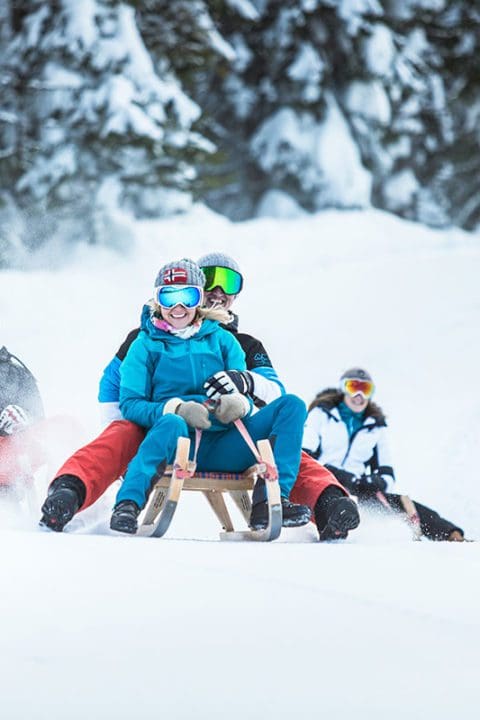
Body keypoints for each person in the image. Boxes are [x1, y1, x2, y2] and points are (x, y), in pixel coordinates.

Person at [40, 253, 359, 540]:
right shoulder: (147, 338)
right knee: (121, 435)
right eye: (210, 280)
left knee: (281, 447)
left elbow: (275, 391)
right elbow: (113, 384)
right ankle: (69, 491)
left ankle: (328, 504)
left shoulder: (242, 344)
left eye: (229, 282)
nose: (218, 290)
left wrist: (245, 385)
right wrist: (121, 430)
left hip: (230, 432)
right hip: (160, 426)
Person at [302, 367, 465, 541]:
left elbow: (387, 473)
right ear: (343, 389)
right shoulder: (322, 414)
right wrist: (340, 476)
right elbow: (304, 455)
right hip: (323, 482)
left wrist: (374, 482)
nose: (359, 395)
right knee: (336, 502)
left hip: (358, 490)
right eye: (353, 387)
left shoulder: (375, 427)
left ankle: (451, 535)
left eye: (365, 390)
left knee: (404, 504)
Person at [0, 346, 80, 494]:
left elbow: (37, 418)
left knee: (65, 427)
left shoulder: (13, 372)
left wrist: (24, 418)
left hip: (14, 452)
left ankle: (65, 494)